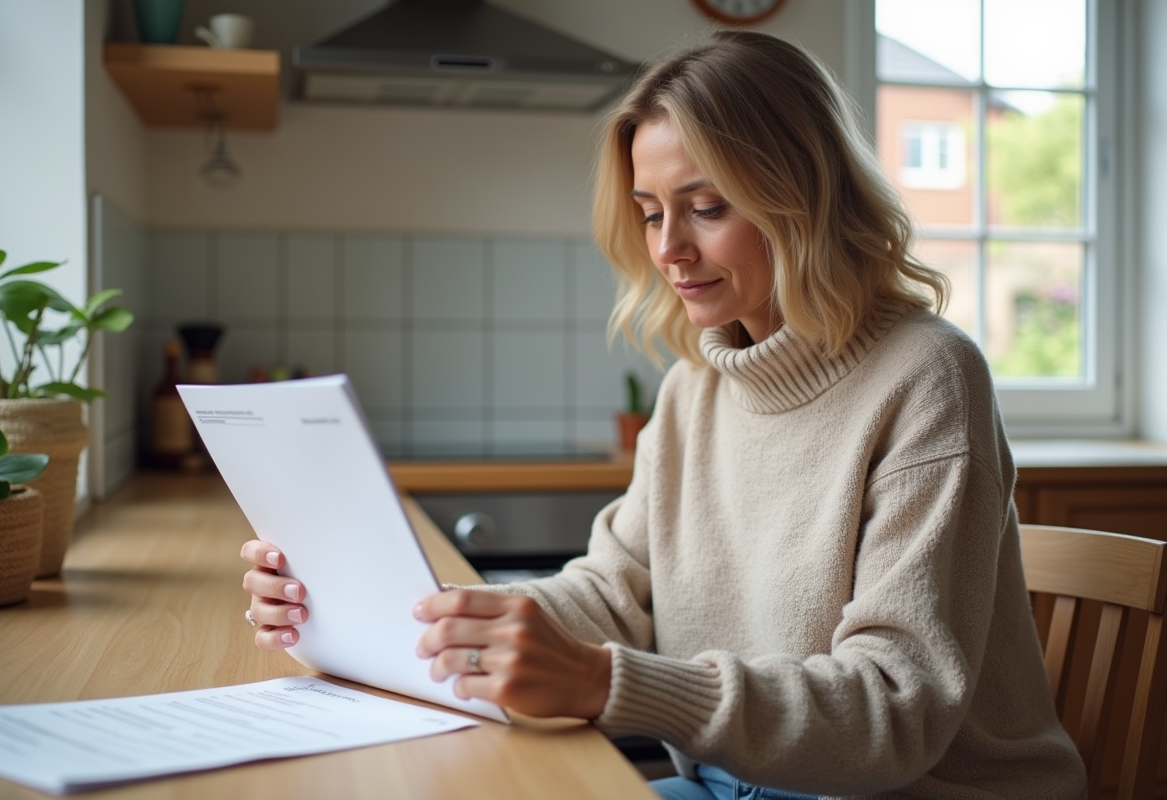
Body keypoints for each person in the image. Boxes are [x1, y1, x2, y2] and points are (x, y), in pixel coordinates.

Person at [241, 30, 1087, 799]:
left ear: (806, 197)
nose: (669, 249)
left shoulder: (928, 376)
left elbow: (892, 711)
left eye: (707, 207)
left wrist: (608, 684)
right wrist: (403, 615)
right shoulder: (696, 388)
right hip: (742, 785)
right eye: (651, 213)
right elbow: (610, 594)